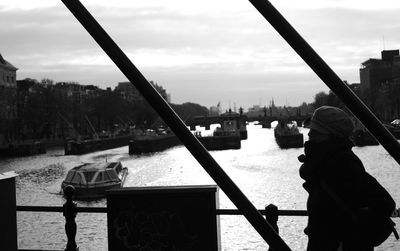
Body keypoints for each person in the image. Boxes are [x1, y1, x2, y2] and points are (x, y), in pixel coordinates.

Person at [298, 106, 396, 251]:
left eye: (316, 132)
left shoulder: (341, 164)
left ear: (331, 136)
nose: (310, 134)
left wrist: (348, 239)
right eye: (311, 130)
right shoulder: (324, 162)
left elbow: (384, 203)